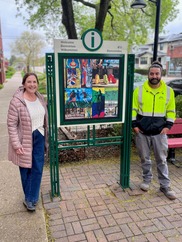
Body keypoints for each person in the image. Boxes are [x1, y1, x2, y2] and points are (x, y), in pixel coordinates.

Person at [132, 61, 176, 200]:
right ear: (148, 75)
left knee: (161, 160)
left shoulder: (168, 91)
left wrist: (167, 126)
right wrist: (135, 126)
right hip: (142, 132)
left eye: (157, 73)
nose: (154, 76)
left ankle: (165, 186)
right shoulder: (138, 90)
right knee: (144, 158)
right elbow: (133, 109)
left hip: (160, 133)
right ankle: (146, 180)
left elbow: (171, 111)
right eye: (152, 73)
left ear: (161, 74)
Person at [7, 73, 48, 211]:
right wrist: (16, 144)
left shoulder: (40, 97)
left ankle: (31, 198)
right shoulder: (17, 101)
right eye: (29, 82)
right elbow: (11, 124)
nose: (32, 84)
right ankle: (29, 197)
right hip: (24, 138)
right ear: (24, 84)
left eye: (34, 82)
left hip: (39, 135)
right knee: (25, 169)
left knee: (37, 168)